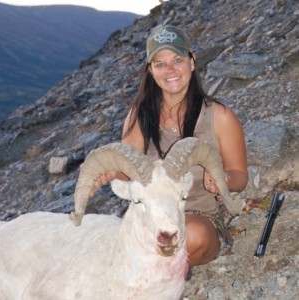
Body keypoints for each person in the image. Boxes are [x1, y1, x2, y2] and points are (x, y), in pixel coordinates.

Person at [91, 25, 248, 266]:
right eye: (160, 64)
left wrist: (222, 180)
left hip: (198, 215)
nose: (170, 70)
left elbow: (240, 176)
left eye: (177, 60)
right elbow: (127, 167)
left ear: (192, 61)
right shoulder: (140, 116)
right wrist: (107, 170)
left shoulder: (220, 116)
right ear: (150, 70)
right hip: (150, 217)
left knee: (192, 237)